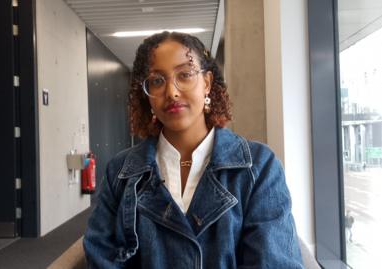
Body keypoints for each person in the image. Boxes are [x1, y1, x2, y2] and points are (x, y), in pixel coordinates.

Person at [83, 31, 303, 268]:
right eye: (157, 80)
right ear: (146, 95)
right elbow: (102, 256)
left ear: (207, 83)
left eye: (185, 75)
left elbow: (274, 262)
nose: (172, 92)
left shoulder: (258, 166)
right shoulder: (121, 170)